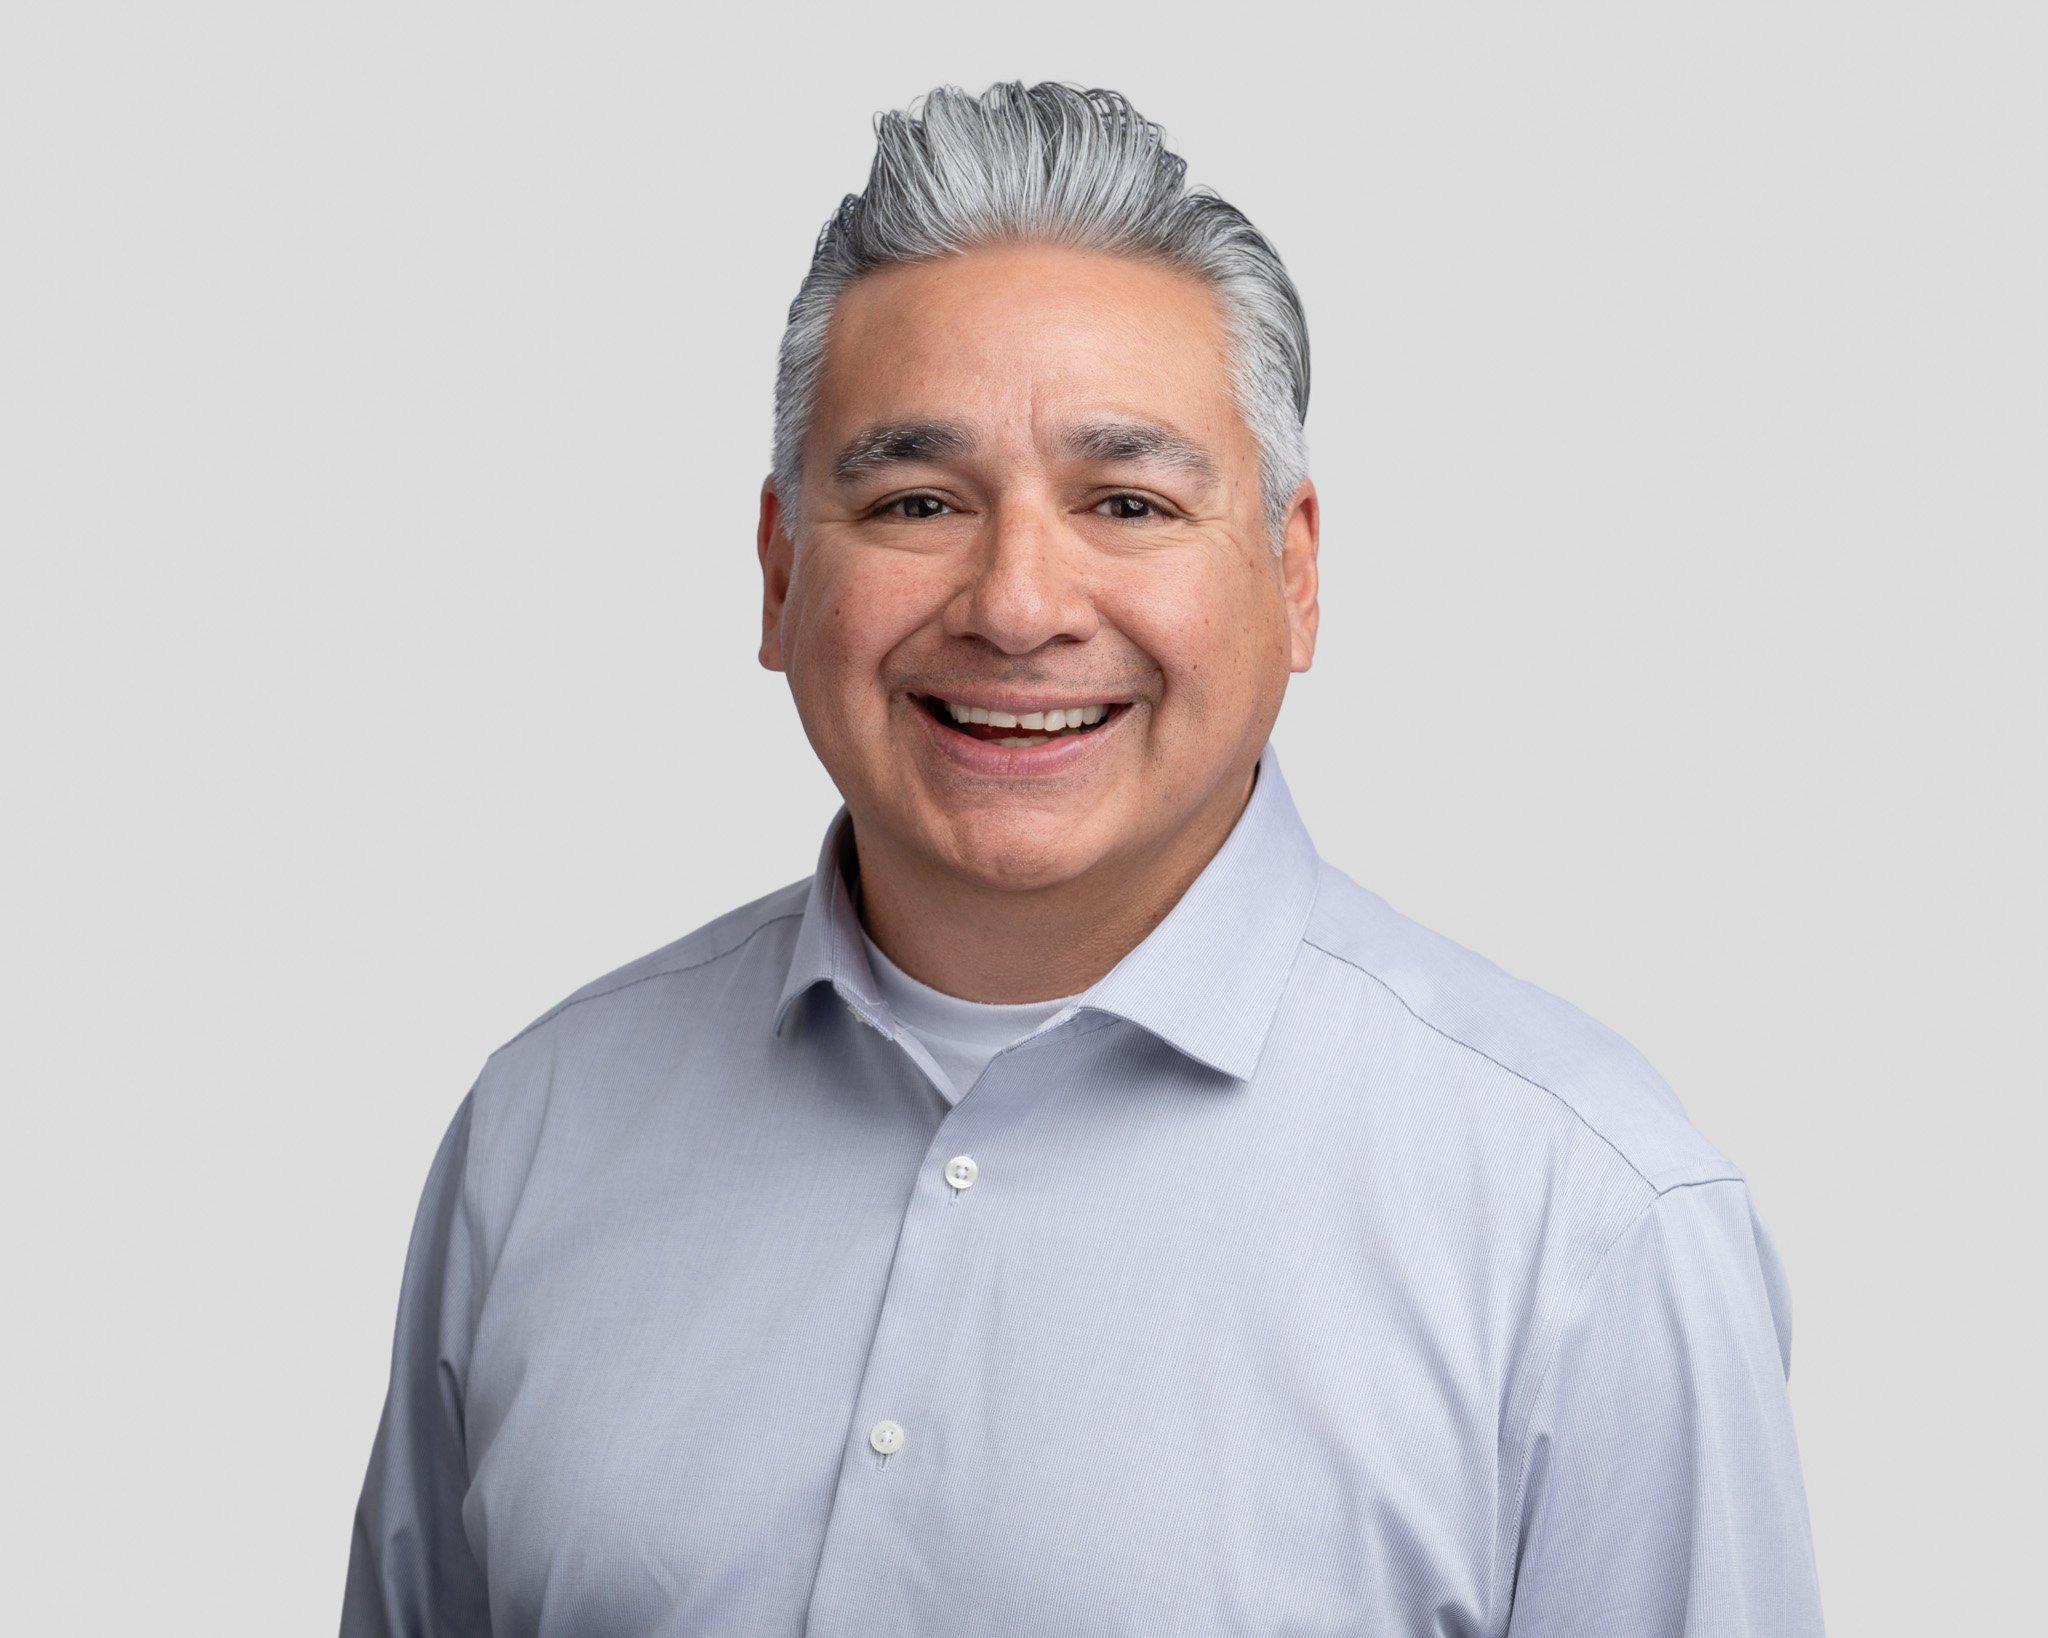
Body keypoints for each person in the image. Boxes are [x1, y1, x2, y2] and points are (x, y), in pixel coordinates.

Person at [341, 80, 1825, 1637]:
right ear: (782, 573)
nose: (1017, 602)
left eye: (1127, 500)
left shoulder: (1589, 1225)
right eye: (917, 498)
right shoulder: (540, 1133)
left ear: (1294, 575)